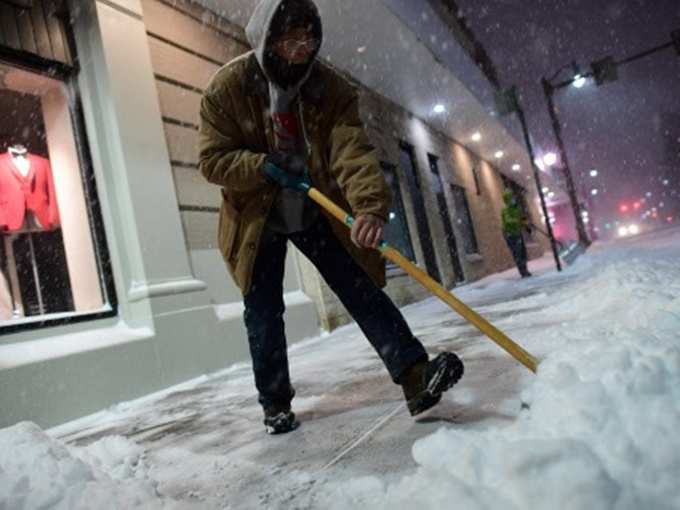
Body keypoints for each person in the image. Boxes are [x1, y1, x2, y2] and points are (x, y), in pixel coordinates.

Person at [198, 0, 463, 435]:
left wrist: (369, 207)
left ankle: (416, 377)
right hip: (256, 218)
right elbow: (212, 160)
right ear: (268, 38)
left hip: (315, 206)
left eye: (309, 38)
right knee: (263, 311)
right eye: (291, 39)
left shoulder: (330, 90)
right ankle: (275, 404)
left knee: (360, 287)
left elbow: (351, 151)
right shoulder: (228, 88)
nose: (303, 49)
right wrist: (260, 165)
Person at [501, 189, 532, 278]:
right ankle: (523, 271)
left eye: (513, 197)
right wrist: (518, 221)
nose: (513, 199)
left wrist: (526, 225)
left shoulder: (517, 209)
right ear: (508, 199)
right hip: (510, 234)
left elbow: (522, 218)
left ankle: (525, 269)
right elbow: (507, 221)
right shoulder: (505, 210)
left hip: (517, 232)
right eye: (511, 198)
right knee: (517, 253)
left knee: (522, 252)